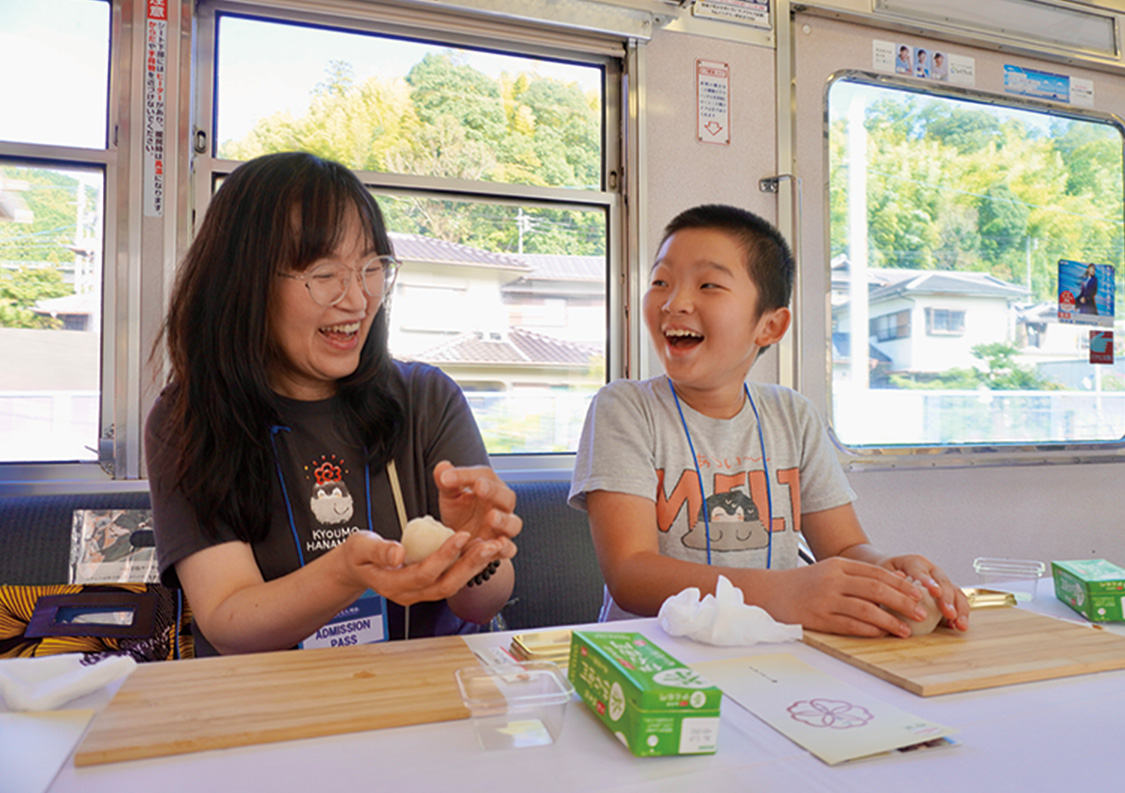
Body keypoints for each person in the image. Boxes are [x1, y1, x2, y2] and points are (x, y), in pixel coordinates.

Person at [146, 151, 521, 656]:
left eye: (371, 266)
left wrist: (476, 550)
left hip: (429, 699)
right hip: (275, 709)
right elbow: (229, 619)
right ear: (246, 282)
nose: (358, 299)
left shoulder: (427, 398)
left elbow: (481, 607)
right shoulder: (189, 420)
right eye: (324, 273)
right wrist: (344, 573)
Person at [568, 204, 970, 638]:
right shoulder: (625, 407)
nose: (674, 302)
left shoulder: (792, 415)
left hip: (775, 648)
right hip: (654, 656)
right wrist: (785, 592)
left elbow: (843, 547)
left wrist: (883, 571)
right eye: (660, 282)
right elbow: (631, 575)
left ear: (770, 326)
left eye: (708, 285)